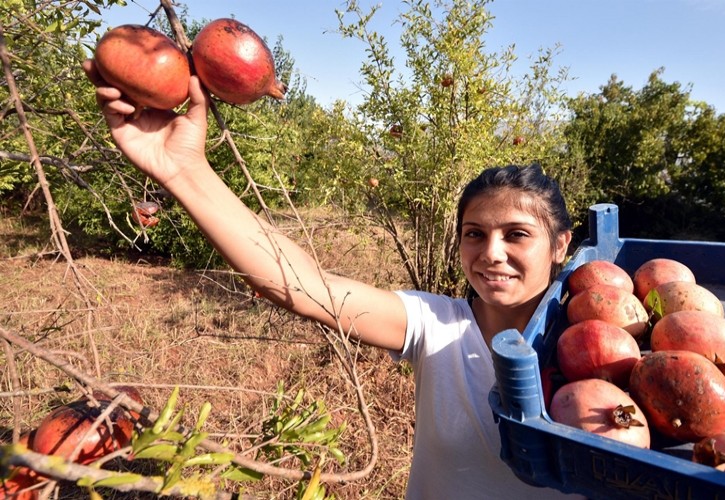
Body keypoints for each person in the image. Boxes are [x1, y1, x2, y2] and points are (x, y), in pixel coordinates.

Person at [83, 61, 581, 499]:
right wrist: (183, 169)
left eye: (517, 234)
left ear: (561, 244)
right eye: (475, 234)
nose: (492, 254)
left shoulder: (606, 351)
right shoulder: (437, 324)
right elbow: (301, 285)